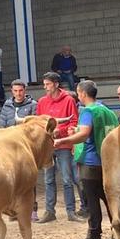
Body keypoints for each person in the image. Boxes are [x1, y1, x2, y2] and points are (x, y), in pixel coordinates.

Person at [54, 81, 120, 239]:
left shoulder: (88, 111)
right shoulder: (107, 110)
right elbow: (95, 132)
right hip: (107, 161)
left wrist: (61, 140)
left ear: (82, 93)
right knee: (109, 199)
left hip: (90, 162)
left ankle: (94, 236)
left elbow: (84, 135)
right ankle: (117, 233)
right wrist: (76, 131)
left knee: (92, 202)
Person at [36, 72, 84, 223]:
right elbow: (38, 122)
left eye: (48, 84)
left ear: (56, 84)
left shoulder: (69, 100)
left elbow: (74, 122)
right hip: (48, 146)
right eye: (44, 84)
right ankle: (50, 211)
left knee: (66, 178)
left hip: (63, 143)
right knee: (48, 178)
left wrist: (60, 131)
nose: (45, 87)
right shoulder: (42, 102)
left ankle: (70, 211)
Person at [0, 80, 38, 222]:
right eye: (15, 91)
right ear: (11, 91)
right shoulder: (7, 105)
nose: (18, 93)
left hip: (26, 147)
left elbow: (34, 127)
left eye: (20, 90)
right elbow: (2, 125)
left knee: (28, 180)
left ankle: (32, 209)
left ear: (25, 90)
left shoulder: (33, 105)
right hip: (9, 148)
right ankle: (13, 210)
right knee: (12, 179)